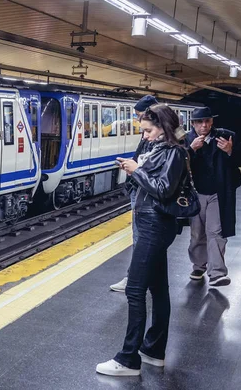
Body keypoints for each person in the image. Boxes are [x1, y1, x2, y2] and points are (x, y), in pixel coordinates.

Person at [96, 104, 186, 376]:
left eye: (147, 130)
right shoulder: (163, 150)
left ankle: (128, 359)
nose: (144, 136)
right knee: (158, 290)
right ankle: (153, 350)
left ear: (163, 127)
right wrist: (134, 171)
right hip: (154, 224)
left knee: (135, 291)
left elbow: (162, 189)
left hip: (154, 227)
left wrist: (136, 170)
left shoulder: (174, 152)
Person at [186, 106, 241, 286]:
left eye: (207, 121)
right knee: (197, 233)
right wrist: (190, 150)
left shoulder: (226, 136)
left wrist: (230, 151)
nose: (204, 125)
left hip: (219, 192)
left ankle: (217, 272)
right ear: (193, 124)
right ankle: (198, 265)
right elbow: (177, 165)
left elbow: (240, 160)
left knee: (215, 231)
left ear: (212, 121)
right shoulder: (186, 140)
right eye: (200, 122)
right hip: (195, 193)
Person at [110, 95, 159, 292]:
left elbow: (156, 174)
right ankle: (143, 278)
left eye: (140, 116)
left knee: (141, 238)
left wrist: (135, 169)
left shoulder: (167, 143)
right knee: (141, 238)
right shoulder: (151, 137)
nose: (139, 123)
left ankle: (135, 280)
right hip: (140, 188)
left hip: (146, 195)